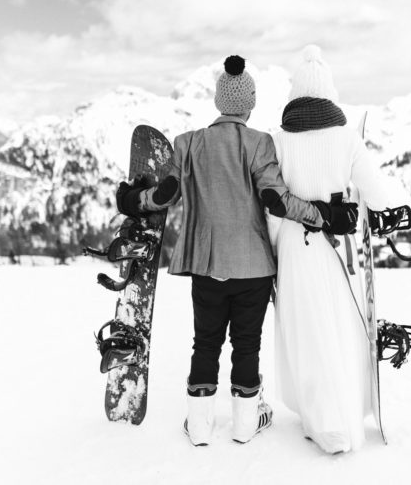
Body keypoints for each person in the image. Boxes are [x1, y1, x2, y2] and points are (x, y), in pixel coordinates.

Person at [115, 55, 358, 447]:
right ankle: (245, 425)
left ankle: (199, 427)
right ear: (249, 103)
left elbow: (165, 195)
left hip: (206, 263)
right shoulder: (260, 143)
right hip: (254, 267)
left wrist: (131, 201)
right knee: (247, 344)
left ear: (218, 102)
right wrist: (324, 216)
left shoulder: (189, 143)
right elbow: (277, 202)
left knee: (205, 342)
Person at [267, 45, 403, 454]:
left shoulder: (278, 141)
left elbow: (271, 205)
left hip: (294, 244)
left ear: (295, 94)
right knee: (341, 328)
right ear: (329, 92)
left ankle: (320, 420)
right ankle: (343, 415)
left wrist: (275, 250)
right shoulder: (347, 139)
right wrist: (384, 216)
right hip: (340, 249)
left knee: (306, 331)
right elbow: (378, 194)